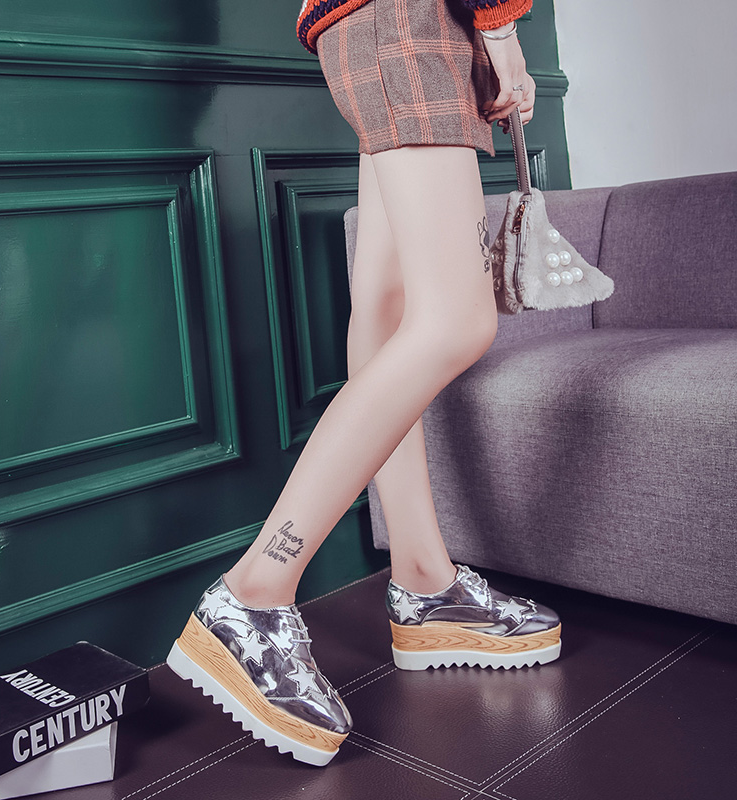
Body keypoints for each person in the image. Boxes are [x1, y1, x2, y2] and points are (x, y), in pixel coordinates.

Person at [166, 0, 560, 767]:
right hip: (411, 19)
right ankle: (254, 592)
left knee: (387, 311)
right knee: (455, 322)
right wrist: (502, 25)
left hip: (368, 23)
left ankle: (424, 579)